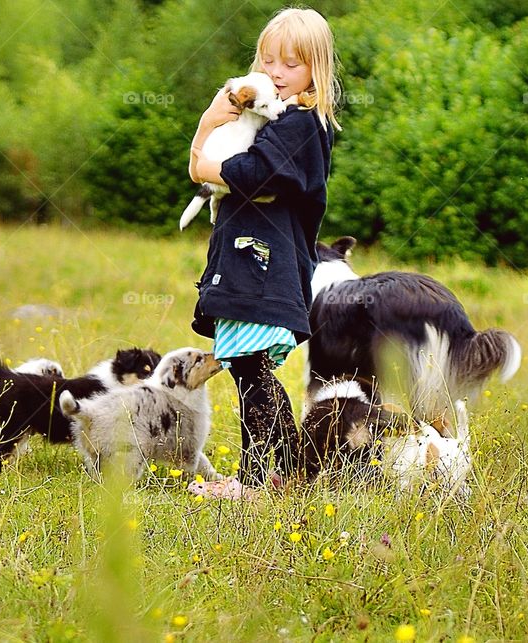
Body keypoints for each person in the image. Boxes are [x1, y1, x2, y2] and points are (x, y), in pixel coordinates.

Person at [188, 7, 341, 488]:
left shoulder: (299, 124)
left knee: (249, 369)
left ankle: (265, 481)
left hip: (264, 266)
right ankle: (279, 476)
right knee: (246, 368)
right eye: (270, 60)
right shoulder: (275, 119)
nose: (277, 72)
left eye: (291, 64)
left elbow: (258, 176)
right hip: (249, 264)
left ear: (316, 69)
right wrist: (208, 127)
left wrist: (199, 158)